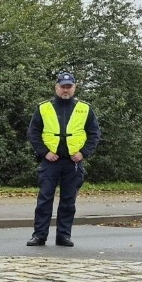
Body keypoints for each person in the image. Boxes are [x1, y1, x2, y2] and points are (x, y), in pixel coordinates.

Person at [27, 70, 101, 247]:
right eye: (63, 87)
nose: (65, 90)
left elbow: (94, 134)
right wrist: (45, 152)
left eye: (69, 87)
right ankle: (39, 236)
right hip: (50, 161)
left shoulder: (85, 109)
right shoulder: (44, 107)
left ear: (74, 88)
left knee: (68, 201)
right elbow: (33, 133)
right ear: (56, 88)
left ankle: (63, 236)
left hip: (73, 162)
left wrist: (83, 153)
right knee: (44, 199)